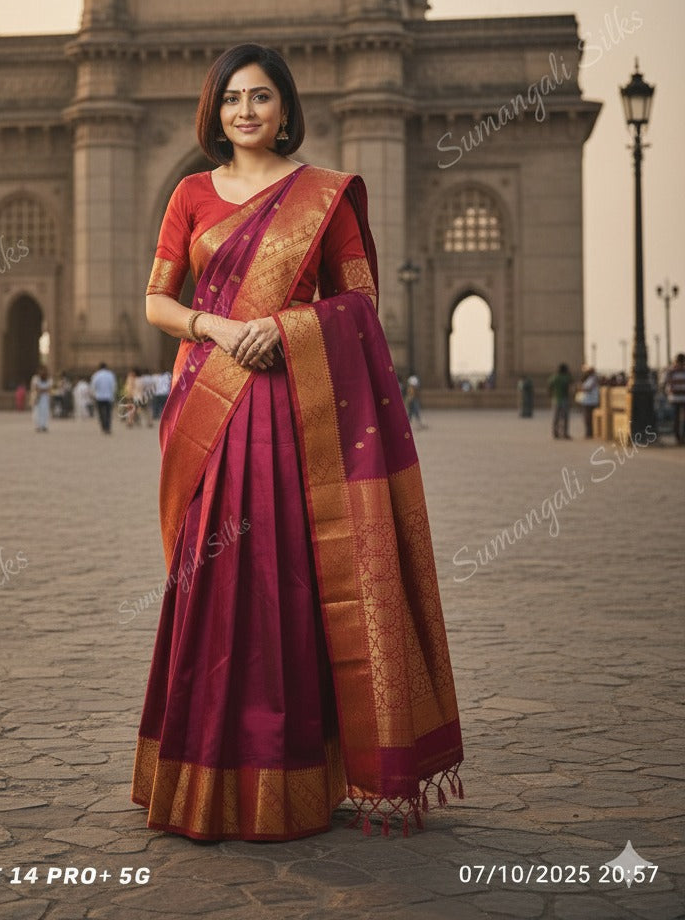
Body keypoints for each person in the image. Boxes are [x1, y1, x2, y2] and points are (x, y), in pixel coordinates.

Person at [132, 43, 464, 842]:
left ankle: (297, 776)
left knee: (284, 583)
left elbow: (360, 304)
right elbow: (157, 301)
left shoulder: (327, 197)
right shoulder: (189, 195)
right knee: (212, 584)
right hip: (212, 411)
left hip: (289, 416)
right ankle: (202, 774)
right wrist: (217, 326)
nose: (245, 112)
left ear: (286, 109)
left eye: (262, 98)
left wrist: (279, 329)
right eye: (231, 100)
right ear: (214, 112)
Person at [90, 362, 117, 434]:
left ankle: (103, 426)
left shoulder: (96, 375)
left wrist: (93, 395)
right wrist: (113, 395)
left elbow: (93, 386)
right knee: (108, 413)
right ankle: (108, 427)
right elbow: (114, 386)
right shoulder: (110, 375)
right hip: (109, 396)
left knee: (101, 413)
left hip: (99, 397)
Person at [664, 353, 685, 444]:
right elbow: (666, 383)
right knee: (676, 418)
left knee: (677, 419)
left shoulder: (671, 371)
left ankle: (680, 437)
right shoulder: (671, 371)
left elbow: (665, 383)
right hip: (676, 397)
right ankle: (679, 437)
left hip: (677, 397)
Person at [548, 362, 572, 439]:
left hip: (556, 399)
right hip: (564, 399)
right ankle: (564, 433)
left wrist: (550, 395)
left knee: (555, 417)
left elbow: (549, 387)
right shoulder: (566, 377)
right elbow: (571, 382)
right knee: (565, 417)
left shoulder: (554, 377)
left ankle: (555, 433)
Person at [577, 365, 599, 439]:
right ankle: (588, 433)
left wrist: (581, 388)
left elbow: (588, 388)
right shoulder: (589, 378)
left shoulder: (593, 378)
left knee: (589, 419)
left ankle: (590, 433)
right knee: (587, 419)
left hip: (591, 402)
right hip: (587, 401)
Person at [30, 366, 52, 432]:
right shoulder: (36, 379)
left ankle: (44, 425)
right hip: (38, 398)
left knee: (45, 412)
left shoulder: (49, 379)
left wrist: (42, 390)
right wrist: (43, 390)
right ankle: (38, 426)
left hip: (45, 399)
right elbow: (36, 388)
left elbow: (49, 389)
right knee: (37, 412)